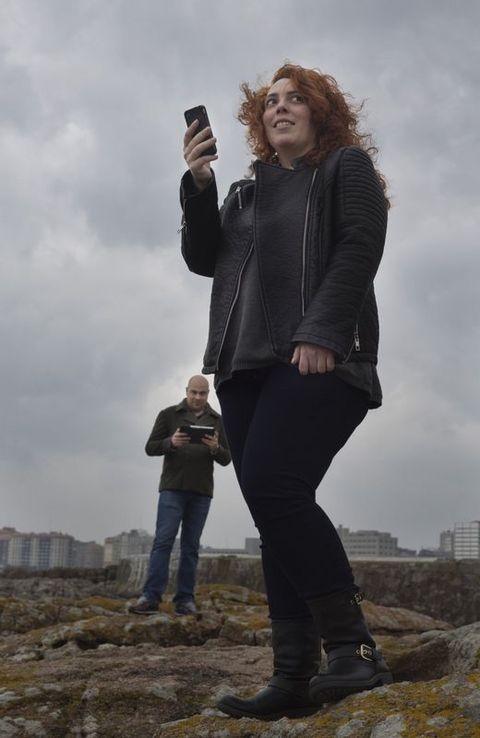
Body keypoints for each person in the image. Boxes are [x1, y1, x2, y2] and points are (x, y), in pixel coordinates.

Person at [180, 63, 392, 719]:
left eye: (296, 99)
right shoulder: (245, 193)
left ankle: (353, 648)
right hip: (243, 369)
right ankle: (293, 676)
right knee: (275, 512)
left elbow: (360, 244)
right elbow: (203, 257)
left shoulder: (344, 168)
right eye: (270, 101)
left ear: (320, 114)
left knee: (274, 488)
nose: (280, 108)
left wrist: (324, 329)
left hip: (319, 356)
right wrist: (199, 184)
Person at [128, 375, 231, 616]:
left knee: (190, 547)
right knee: (163, 542)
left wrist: (215, 448)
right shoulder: (168, 415)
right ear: (186, 391)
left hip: (201, 491)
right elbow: (150, 447)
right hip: (172, 489)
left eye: (202, 393)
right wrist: (171, 442)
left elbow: (227, 458)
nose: (197, 397)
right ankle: (150, 597)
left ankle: (185, 600)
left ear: (208, 394)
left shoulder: (218, 421)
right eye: (194, 392)